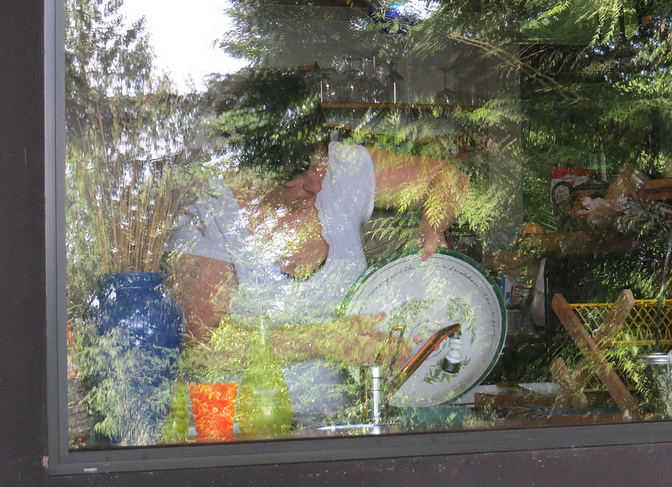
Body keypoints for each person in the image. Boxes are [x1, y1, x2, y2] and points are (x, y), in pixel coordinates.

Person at [168, 138, 469, 424]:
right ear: (251, 170)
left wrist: (433, 225)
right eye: (293, 178)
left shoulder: (344, 170)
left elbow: (449, 178)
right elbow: (200, 347)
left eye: (318, 165)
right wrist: (324, 340)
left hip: (344, 426)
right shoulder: (210, 208)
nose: (315, 184)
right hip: (243, 433)